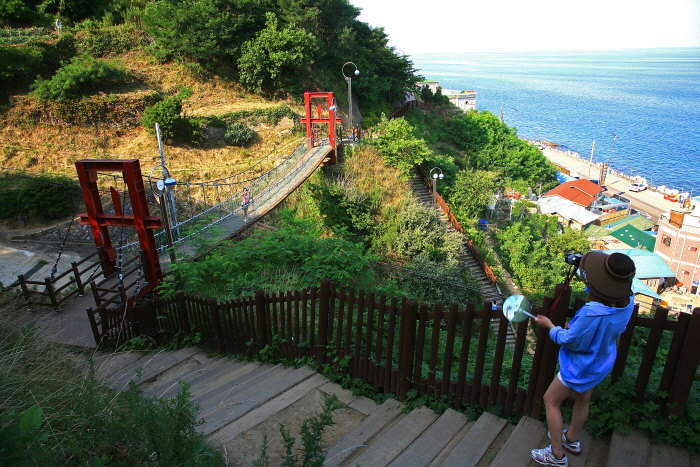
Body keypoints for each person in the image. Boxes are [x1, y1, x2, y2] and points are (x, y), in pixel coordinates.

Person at [531, 251, 636, 466]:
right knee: (583, 399)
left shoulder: (592, 312)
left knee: (550, 401)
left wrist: (551, 327)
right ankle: (571, 439)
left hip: (580, 365)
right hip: (602, 362)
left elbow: (571, 339)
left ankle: (557, 455)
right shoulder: (628, 302)